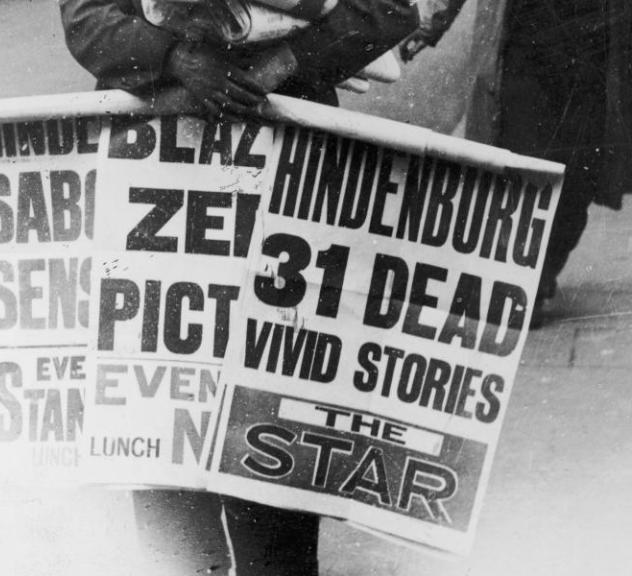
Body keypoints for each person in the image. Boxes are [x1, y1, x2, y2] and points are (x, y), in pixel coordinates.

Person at [59, 1, 419, 574]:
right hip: (156, 170)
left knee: (275, 392)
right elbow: (86, 19)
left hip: (285, 159)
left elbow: (390, 9)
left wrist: (285, 62)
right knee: (158, 399)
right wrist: (176, 57)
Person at [403, 0, 632, 327]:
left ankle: (542, 270)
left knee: (578, 172)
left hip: (598, 46)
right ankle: (520, 278)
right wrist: (433, 19)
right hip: (526, 40)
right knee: (520, 158)